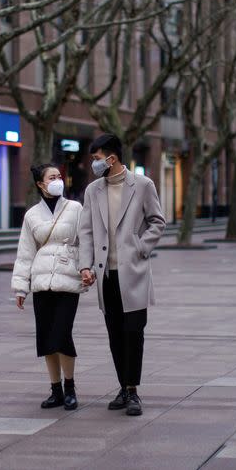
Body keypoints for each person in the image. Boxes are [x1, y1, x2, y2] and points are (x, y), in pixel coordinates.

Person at [78, 134, 166, 417]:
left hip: (135, 274)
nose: (94, 164)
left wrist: (140, 246)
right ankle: (123, 387)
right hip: (106, 276)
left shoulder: (142, 185)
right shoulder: (93, 191)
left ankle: (133, 391)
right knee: (115, 335)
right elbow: (87, 231)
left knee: (134, 333)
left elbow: (157, 221)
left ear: (111, 158)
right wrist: (85, 266)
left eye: (96, 159)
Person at [12, 163, 85, 411]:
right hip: (41, 283)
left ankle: (70, 387)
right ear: (40, 184)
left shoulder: (75, 208)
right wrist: (21, 288)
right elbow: (25, 253)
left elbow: (87, 241)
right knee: (45, 337)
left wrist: (88, 268)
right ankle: (55, 390)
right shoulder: (32, 215)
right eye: (51, 177)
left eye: (59, 176)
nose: (57, 180)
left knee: (62, 334)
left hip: (67, 279)